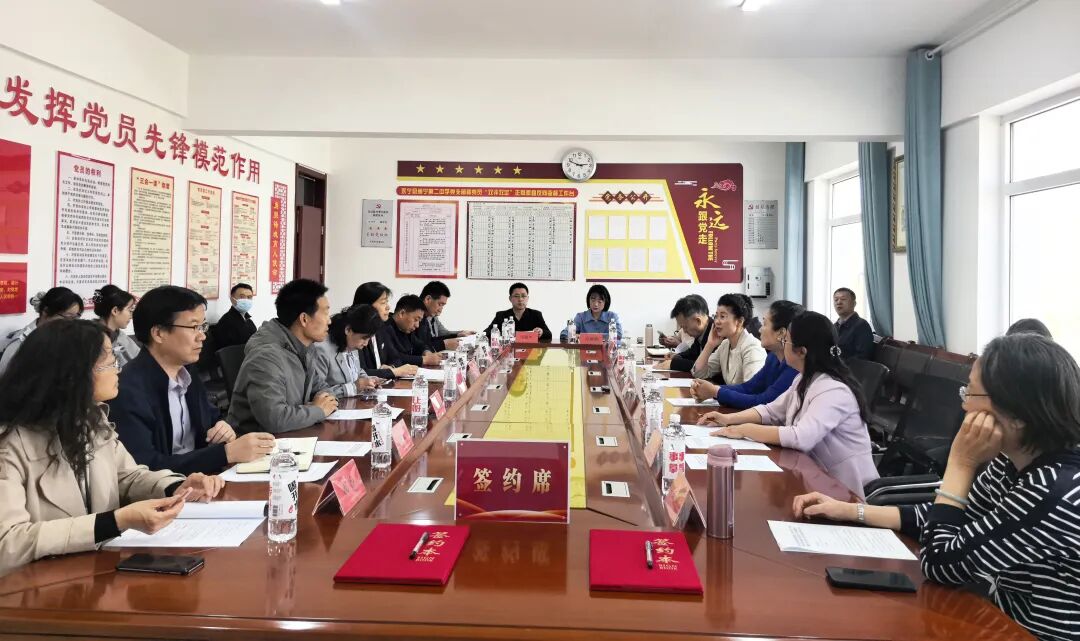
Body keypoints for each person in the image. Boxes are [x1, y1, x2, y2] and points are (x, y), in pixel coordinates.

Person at [792, 333, 1080, 641]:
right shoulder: (1012, 462)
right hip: (996, 619)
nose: (964, 404)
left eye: (971, 393)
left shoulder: (1051, 491)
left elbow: (939, 562)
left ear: (1017, 414)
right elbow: (949, 516)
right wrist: (852, 511)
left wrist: (960, 464)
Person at [0, 320, 224, 577]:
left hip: (91, 572)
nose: (118, 369)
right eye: (108, 362)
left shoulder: (91, 419)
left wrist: (176, 486)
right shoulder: (9, 443)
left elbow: (127, 476)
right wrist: (114, 522)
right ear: (72, 374)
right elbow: (8, 541)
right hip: (32, 585)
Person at [699, 311, 878, 498]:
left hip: (848, 493)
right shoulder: (803, 379)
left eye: (786, 341)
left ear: (802, 352)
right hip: (816, 481)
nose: (782, 345)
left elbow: (801, 437)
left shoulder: (833, 390)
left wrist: (745, 430)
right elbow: (771, 411)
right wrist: (727, 419)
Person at [109, 286, 275, 475]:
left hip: (204, 479)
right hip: (168, 489)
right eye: (193, 327)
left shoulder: (186, 372)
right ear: (159, 333)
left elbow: (212, 419)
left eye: (203, 326)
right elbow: (144, 468)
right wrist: (225, 454)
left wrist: (223, 428)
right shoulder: (128, 390)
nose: (202, 336)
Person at [227, 279, 338, 434]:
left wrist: (322, 404)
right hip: (259, 443)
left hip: (293, 435)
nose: (330, 320)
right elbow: (275, 419)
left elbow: (322, 388)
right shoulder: (266, 357)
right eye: (325, 313)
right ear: (304, 319)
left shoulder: (306, 347)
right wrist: (318, 410)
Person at [690, 300, 802, 409]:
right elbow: (749, 387)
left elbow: (764, 402)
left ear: (781, 333)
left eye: (764, 324)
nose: (760, 329)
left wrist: (715, 391)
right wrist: (711, 389)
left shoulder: (794, 367)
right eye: (716, 316)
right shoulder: (773, 357)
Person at [0, 287, 83, 375]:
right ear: (46, 311)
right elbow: (5, 377)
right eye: (68, 317)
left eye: (75, 317)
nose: (72, 323)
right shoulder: (21, 343)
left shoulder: (68, 336)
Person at [308, 304, 385, 398]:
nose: (366, 344)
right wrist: (354, 387)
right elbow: (317, 393)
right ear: (348, 330)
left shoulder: (352, 343)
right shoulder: (321, 350)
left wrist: (368, 381)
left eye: (369, 339)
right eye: (364, 338)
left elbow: (357, 371)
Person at [690, 293, 767, 385]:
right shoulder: (725, 344)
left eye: (722, 316)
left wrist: (716, 391)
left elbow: (751, 389)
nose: (717, 321)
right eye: (716, 316)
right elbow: (698, 373)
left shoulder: (753, 348)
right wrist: (710, 344)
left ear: (739, 321)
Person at [352, 282, 416, 379]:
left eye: (387, 302)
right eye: (383, 303)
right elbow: (360, 372)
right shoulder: (355, 332)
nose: (388, 307)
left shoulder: (382, 327)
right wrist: (392, 372)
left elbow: (396, 359)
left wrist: (391, 367)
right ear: (367, 306)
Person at [377, 295, 443, 368]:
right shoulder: (385, 328)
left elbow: (419, 344)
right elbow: (394, 356)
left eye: (419, 321)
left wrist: (427, 352)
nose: (417, 325)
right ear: (402, 313)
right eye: (416, 319)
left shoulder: (405, 329)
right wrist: (425, 360)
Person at [658, 295, 712, 372]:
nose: (684, 331)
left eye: (685, 327)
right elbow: (692, 354)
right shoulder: (702, 333)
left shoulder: (716, 335)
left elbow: (708, 367)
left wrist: (674, 364)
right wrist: (677, 356)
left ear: (698, 321)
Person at [91, 285, 141, 369]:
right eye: (130, 310)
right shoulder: (92, 338)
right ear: (115, 311)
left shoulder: (120, 335)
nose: (131, 316)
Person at [417, 281, 475, 352]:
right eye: (440, 304)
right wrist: (443, 344)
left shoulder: (432, 316)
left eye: (443, 305)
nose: (440, 310)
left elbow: (440, 335)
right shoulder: (416, 318)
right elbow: (420, 347)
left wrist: (459, 334)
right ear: (428, 299)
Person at [484, 283, 553, 342]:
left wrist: (541, 331)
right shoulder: (501, 315)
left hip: (530, 351)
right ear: (510, 298)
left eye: (523, 296)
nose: (520, 299)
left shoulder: (536, 314)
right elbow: (487, 332)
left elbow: (549, 334)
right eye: (516, 296)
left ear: (527, 298)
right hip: (508, 351)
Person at [212, 283, 257, 350]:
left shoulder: (248, 320)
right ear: (232, 299)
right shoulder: (226, 322)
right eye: (242, 297)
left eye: (249, 297)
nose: (246, 300)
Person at [832, 287, 874, 361]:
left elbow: (862, 357)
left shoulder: (862, 326)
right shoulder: (834, 326)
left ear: (854, 304)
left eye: (843, 299)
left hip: (849, 367)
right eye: (836, 300)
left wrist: (837, 364)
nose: (839, 302)